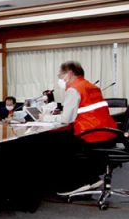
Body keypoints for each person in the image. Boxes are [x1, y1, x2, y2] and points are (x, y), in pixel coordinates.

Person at [47, 61, 117, 194]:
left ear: (69, 74)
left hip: (91, 134)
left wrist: (46, 118)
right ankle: (91, 178)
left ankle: (75, 183)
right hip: (108, 133)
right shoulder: (91, 86)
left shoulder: (74, 89)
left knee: (55, 145)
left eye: (60, 75)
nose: (59, 79)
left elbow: (66, 119)